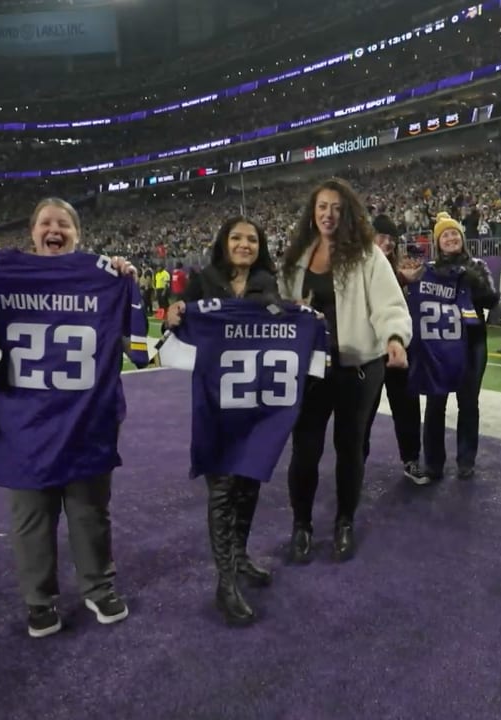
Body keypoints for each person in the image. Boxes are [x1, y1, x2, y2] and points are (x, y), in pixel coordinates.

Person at [0, 198, 145, 638]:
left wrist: (124, 277)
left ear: (77, 234)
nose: (54, 229)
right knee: (31, 516)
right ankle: (39, 600)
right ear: (32, 233)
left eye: (63, 223)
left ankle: (98, 587)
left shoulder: (106, 276)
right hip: (25, 418)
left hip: (84, 415)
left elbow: (135, 339)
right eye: (45, 222)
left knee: (90, 511)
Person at [163, 216, 301, 625]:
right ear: (224, 243)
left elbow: (280, 322)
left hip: (256, 403)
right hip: (217, 403)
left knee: (248, 485)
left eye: (252, 239)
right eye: (237, 237)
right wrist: (173, 313)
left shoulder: (266, 285)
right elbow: (179, 323)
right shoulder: (203, 281)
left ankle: (239, 558)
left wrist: (302, 316)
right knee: (222, 491)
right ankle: (225, 583)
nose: (245, 244)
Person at [278, 178, 412, 563]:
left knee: (350, 449)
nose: (328, 214)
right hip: (311, 369)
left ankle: (344, 522)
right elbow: (279, 305)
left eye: (336, 208)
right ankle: (301, 525)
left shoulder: (368, 254)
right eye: (322, 207)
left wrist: (395, 339)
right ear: (312, 212)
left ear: (348, 212)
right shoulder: (298, 258)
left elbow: (390, 305)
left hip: (358, 367)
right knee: (305, 450)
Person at [402, 213, 498, 480]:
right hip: (438, 348)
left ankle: (466, 460)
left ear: (462, 238)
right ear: (438, 242)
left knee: (468, 403)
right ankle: (434, 461)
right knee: (435, 403)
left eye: (454, 233)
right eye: (445, 235)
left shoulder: (478, 265)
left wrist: (472, 281)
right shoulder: (427, 269)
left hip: (471, 345)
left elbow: (492, 300)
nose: (451, 238)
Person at [362, 214, 427, 484]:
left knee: (407, 405)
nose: (387, 243)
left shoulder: (392, 267)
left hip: (397, 346)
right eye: (382, 236)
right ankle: (356, 461)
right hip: (368, 350)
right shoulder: (358, 264)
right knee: (363, 410)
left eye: (391, 239)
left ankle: (411, 459)